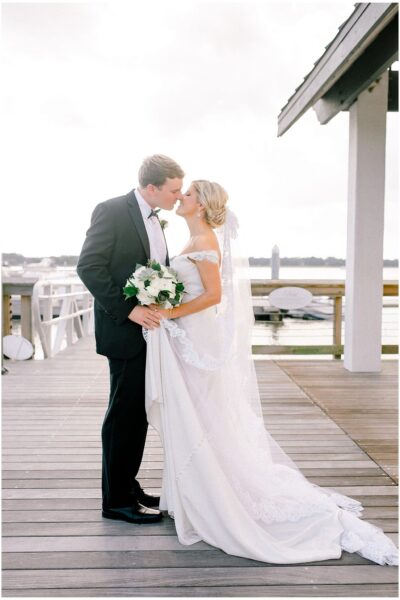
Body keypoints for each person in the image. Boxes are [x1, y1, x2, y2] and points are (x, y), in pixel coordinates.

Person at [144, 179, 399, 565]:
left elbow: (214, 295)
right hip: (188, 335)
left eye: (189, 193)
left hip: (197, 337)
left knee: (204, 415)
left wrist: (168, 313)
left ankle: (216, 493)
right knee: (195, 414)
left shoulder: (206, 242)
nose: (181, 196)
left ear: (202, 204)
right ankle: (193, 491)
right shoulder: (192, 241)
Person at [77, 154, 184, 524]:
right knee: (123, 415)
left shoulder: (156, 218)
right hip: (123, 330)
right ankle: (116, 501)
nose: (178, 196)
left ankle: (127, 485)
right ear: (151, 187)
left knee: (136, 414)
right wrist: (129, 311)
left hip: (149, 333)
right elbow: (88, 266)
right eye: (174, 189)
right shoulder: (111, 211)